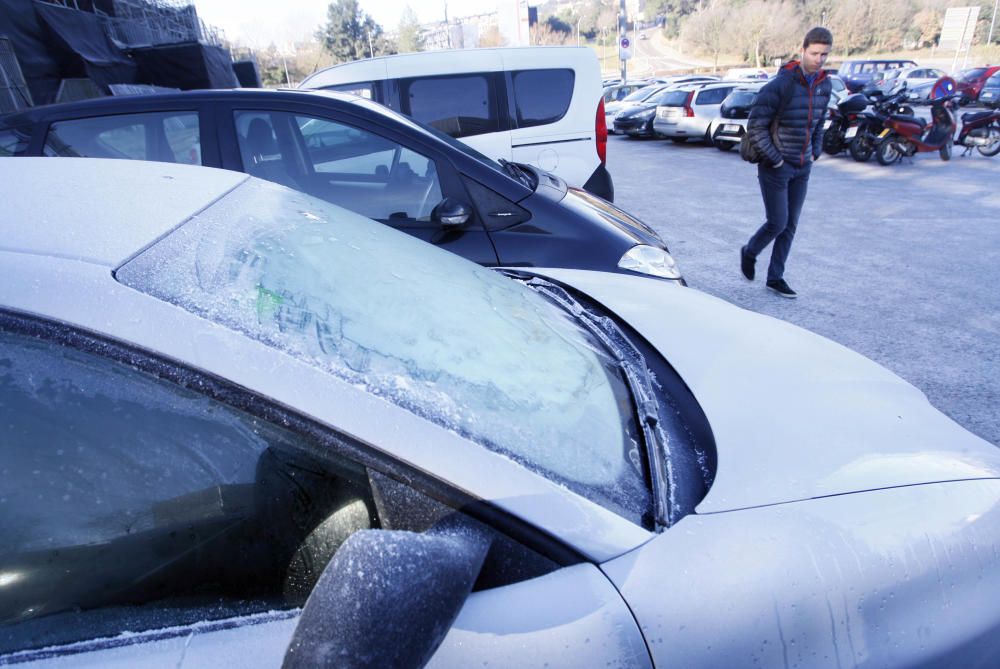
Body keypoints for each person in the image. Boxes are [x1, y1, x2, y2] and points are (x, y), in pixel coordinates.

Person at [740, 27, 833, 299]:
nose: (819, 59)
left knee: (791, 225)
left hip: (803, 165)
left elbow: (819, 121)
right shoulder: (780, 85)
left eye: (824, 54)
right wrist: (777, 160)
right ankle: (750, 251)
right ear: (802, 50)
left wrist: (815, 150)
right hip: (776, 167)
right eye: (814, 53)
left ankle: (775, 277)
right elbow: (756, 127)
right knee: (777, 222)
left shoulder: (824, 84)